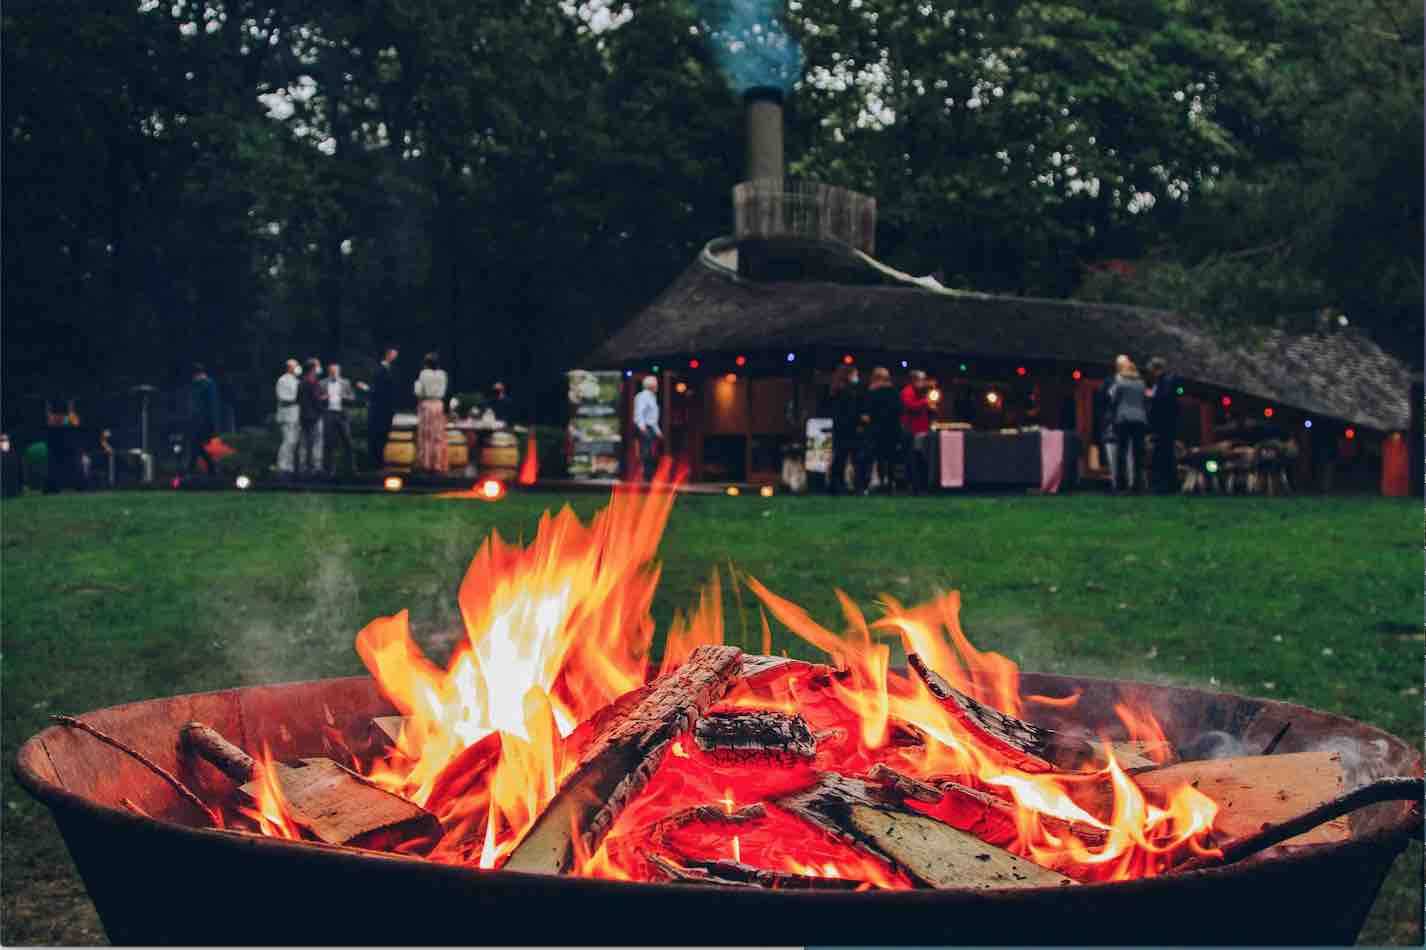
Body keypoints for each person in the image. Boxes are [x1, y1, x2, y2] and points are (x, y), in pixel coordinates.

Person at [1108, 357, 1149, 493]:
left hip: (1124, 419)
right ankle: (1137, 485)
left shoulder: (1120, 383)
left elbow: (1113, 399)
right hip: (1140, 420)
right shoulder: (1141, 384)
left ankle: (1121, 485)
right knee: (1138, 453)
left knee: (1122, 452)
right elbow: (1145, 401)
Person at [863, 366, 901, 493]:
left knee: (878, 458)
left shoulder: (871, 392)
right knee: (890, 458)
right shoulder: (894, 392)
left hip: (877, 430)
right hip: (891, 430)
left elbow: (866, 413)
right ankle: (890, 483)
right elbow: (899, 411)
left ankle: (879, 481)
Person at [1146, 356, 1181, 494]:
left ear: (1156, 369)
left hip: (1164, 425)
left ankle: (1165, 485)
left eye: (1151, 371)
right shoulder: (1164, 382)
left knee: (1164, 454)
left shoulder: (1165, 382)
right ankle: (1168, 484)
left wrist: (1151, 398)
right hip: (1166, 425)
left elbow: (1163, 402)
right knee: (1165, 454)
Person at [828, 365, 864, 495]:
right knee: (851, 459)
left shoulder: (837, 390)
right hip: (849, 429)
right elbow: (850, 412)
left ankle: (837, 485)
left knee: (840, 458)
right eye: (855, 374)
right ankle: (854, 486)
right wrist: (859, 420)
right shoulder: (846, 392)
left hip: (841, 429)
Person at [413, 352, 449, 474]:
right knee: (438, 435)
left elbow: (419, 392)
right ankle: (438, 463)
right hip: (438, 405)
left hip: (427, 405)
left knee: (426, 436)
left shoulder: (424, 374)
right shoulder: (443, 374)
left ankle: (426, 463)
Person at [900, 370, 935, 494]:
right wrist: (925, 403)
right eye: (922, 380)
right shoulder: (907, 392)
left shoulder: (921, 393)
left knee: (920, 459)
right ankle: (914, 487)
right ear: (914, 380)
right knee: (912, 460)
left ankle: (921, 486)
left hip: (921, 430)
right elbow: (910, 406)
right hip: (911, 430)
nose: (924, 382)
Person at [323, 362, 359, 477]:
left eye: (335, 371)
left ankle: (351, 469)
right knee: (330, 443)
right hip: (329, 414)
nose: (333, 373)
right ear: (329, 372)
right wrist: (323, 398)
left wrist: (345, 398)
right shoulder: (322, 383)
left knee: (347, 442)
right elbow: (317, 398)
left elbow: (353, 397)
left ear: (339, 372)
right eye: (331, 371)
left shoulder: (345, 383)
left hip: (342, 415)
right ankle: (329, 471)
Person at [367, 346, 398, 470]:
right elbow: (377, 391)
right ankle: (375, 463)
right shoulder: (379, 370)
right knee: (377, 436)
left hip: (387, 410)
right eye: (394, 355)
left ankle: (379, 461)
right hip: (379, 410)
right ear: (388, 355)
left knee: (383, 436)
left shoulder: (391, 370)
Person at [188, 363, 221, 475]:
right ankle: (210, 471)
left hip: (204, 423)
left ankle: (191, 471)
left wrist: (214, 426)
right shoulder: (199, 385)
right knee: (198, 448)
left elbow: (212, 406)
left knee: (197, 448)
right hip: (199, 423)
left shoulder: (207, 385)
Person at [297, 359, 325, 476]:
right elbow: (316, 399)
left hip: (303, 416)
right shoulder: (313, 382)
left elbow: (298, 399)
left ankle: (302, 467)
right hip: (314, 416)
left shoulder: (301, 382)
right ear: (313, 369)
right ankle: (316, 467)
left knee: (304, 443)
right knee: (316, 442)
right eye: (317, 366)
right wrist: (323, 399)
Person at [274, 359, 301, 479]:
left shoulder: (296, 380)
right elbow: (282, 397)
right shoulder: (282, 380)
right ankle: (282, 466)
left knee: (293, 442)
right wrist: (298, 398)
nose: (297, 368)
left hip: (296, 416)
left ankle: (289, 467)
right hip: (286, 416)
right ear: (289, 367)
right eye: (295, 366)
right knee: (287, 441)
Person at [633, 375, 661, 481]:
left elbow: (652, 416)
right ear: (651, 385)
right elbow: (639, 412)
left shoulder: (652, 397)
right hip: (645, 427)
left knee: (651, 452)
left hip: (651, 427)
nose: (657, 386)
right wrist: (642, 427)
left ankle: (650, 475)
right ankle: (645, 476)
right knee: (646, 452)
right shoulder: (642, 396)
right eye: (656, 384)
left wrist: (657, 431)